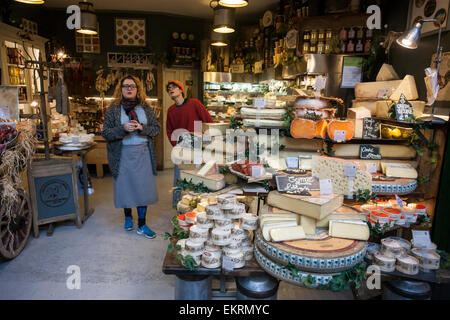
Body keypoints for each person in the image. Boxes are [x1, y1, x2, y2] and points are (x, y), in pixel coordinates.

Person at [102, 75, 160, 239]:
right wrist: (122, 128)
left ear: (137, 89)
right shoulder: (113, 109)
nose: (129, 89)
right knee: (125, 188)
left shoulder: (145, 108)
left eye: (132, 86)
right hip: (122, 155)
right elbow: (106, 133)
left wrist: (142, 128)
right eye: (126, 86)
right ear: (120, 90)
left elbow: (156, 129)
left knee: (143, 189)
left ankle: (142, 224)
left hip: (143, 154)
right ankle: (128, 216)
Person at [165, 80, 214, 206]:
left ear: (181, 89)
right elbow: (169, 130)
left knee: (198, 175)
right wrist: (177, 145)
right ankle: (178, 203)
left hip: (197, 145)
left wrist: (207, 142)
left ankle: (199, 203)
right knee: (180, 175)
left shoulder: (194, 103)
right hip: (181, 147)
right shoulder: (171, 110)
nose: (171, 89)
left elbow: (208, 121)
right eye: (169, 88)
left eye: (174, 87)